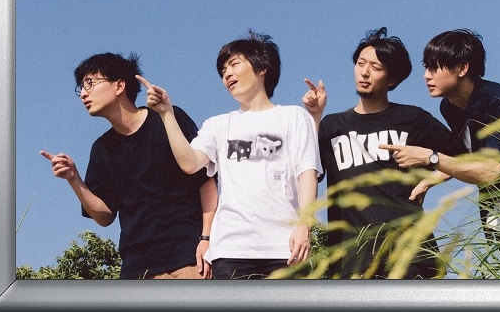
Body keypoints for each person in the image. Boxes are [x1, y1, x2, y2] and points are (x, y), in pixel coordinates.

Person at [138, 30, 321, 279]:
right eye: (223, 70)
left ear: (262, 68)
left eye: (234, 64)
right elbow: (190, 163)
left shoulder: (294, 116)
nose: (227, 74)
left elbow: (307, 173)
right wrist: (166, 113)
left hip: (284, 247)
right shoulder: (218, 125)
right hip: (230, 250)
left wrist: (304, 226)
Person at [302, 26, 465, 279]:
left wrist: (429, 181)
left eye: (375, 67)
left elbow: (465, 155)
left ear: (391, 80)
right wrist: (315, 117)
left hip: (411, 255)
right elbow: (308, 171)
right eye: (360, 64)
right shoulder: (332, 126)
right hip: (352, 259)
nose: (364, 72)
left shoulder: (412, 118)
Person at [40, 52, 217, 280]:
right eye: (81, 87)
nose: (83, 93)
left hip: (188, 259)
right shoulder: (102, 149)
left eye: (90, 83)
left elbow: (205, 181)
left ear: (119, 86)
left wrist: (206, 238)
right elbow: (104, 216)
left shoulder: (168, 118)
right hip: (136, 269)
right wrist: (74, 179)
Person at [380, 28, 500, 261]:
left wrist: (431, 158)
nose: (426, 76)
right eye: (426, 67)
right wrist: (430, 180)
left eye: (434, 68)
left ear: (462, 68)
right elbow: (466, 156)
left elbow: (491, 172)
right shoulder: (450, 106)